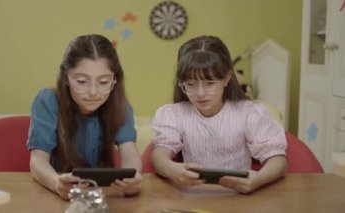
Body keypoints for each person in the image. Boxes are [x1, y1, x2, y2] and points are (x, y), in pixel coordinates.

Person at [150, 35, 287, 193]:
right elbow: (159, 155)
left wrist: (258, 180)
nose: (200, 93)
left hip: (239, 197)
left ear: (227, 78)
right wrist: (172, 169)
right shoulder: (174, 114)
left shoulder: (249, 113)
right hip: (193, 196)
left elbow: (278, 160)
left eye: (210, 83)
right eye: (191, 84)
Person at [28, 34, 142, 199]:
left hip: (101, 195)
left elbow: (130, 153)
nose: (93, 92)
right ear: (66, 77)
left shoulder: (120, 105)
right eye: (82, 81)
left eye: (103, 82)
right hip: (53, 194)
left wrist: (134, 177)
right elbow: (37, 160)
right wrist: (55, 182)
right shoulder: (47, 101)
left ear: (115, 80)